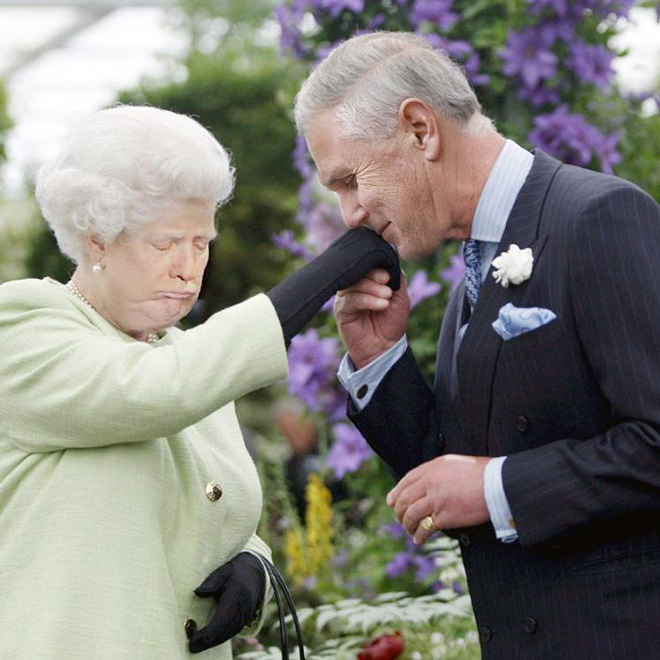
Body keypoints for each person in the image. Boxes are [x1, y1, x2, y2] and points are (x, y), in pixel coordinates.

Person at [293, 31, 660, 658]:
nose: (350, 212)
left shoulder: (598, 216)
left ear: (420, 130)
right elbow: (447, 476)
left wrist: (498, 488)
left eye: (351, 179)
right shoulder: (475, 262)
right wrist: (377, 358)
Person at [0, 105, 400, 659]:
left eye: (202, 241)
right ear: (97, 240)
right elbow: (155, 392)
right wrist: (325, 274)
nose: (190, 267)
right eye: (165, 243)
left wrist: (253, 567)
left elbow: (206, 508)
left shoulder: (191, 357)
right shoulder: (20, 324)